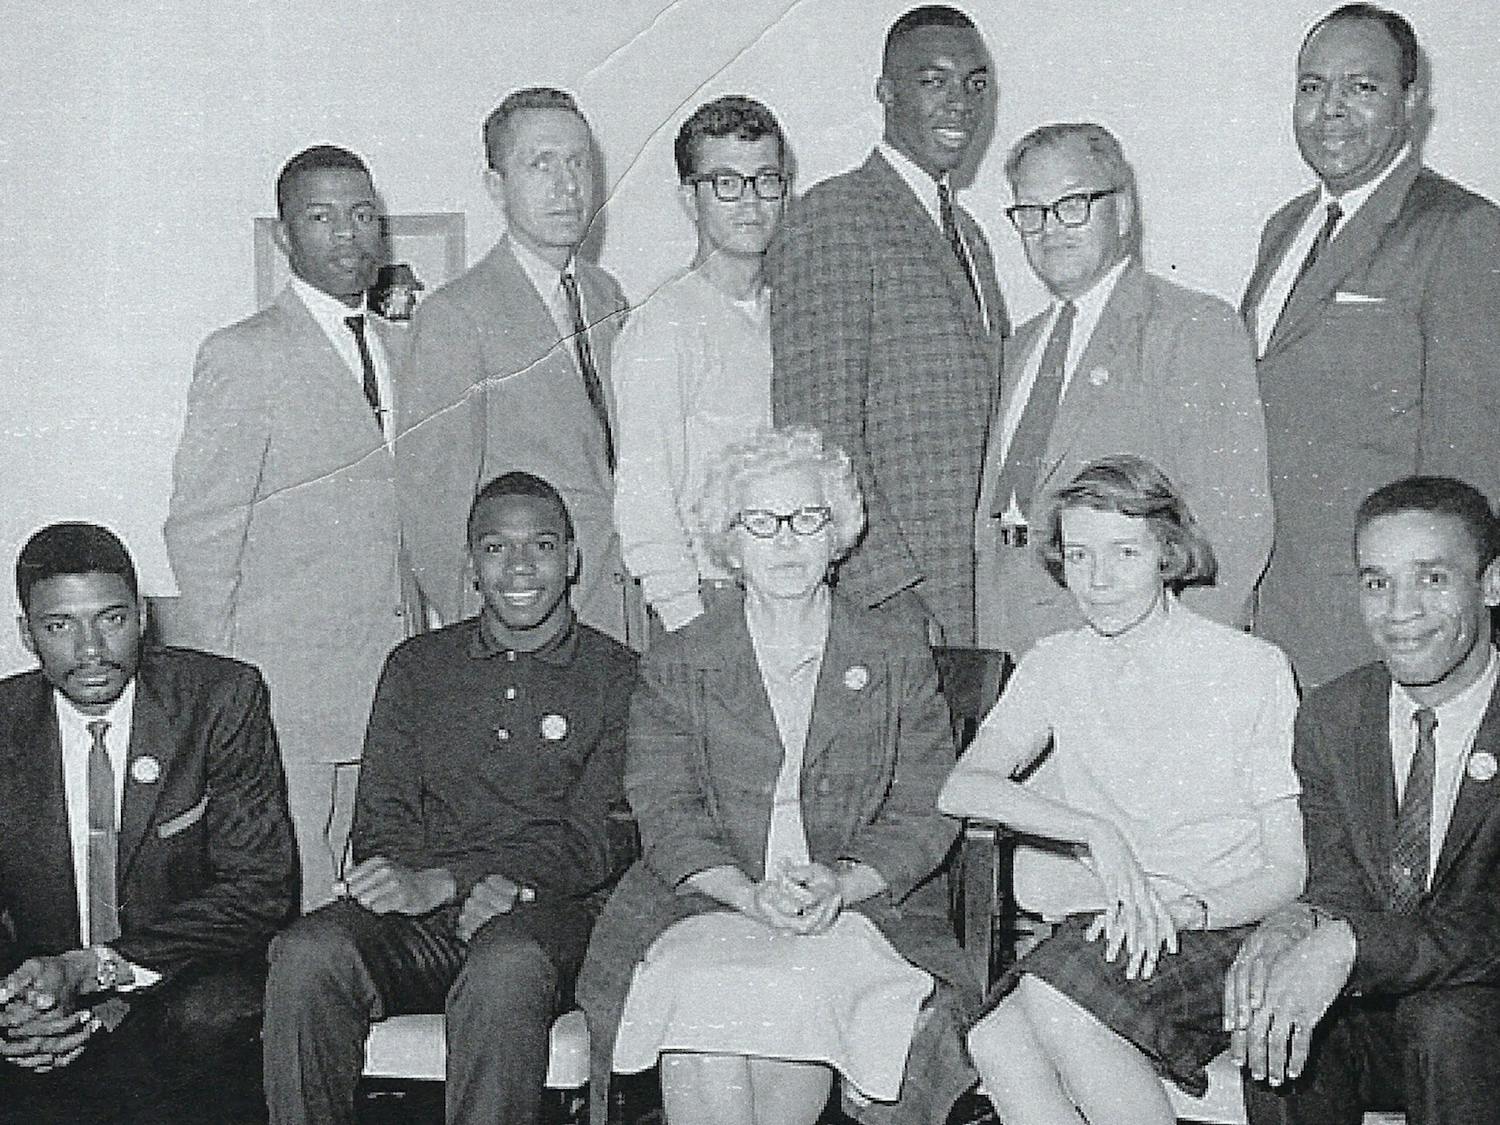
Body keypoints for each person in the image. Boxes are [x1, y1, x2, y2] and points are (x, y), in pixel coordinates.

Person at [579, 426, 976, 1125]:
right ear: (730, 543)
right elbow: (664, 810)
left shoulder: (893, 652)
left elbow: (927, 805)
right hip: (707, 900)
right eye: (760, 522)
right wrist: (745, 893)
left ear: (839, 532)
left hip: (863, 907)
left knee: (780, 994)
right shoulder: (681, 659)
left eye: (807, 518)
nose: (786, 541)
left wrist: (844, 880)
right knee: (703, 1004)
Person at [262, 472, 637, 1125]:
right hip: (423, 921)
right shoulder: (416, 665)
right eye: (496, 548)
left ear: (572, 559)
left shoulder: (622, 676)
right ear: (470, 564)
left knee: (507, 965)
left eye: (541, 545)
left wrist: (466, 880)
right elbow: (382, 816)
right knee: (306, 953)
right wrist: (423, 887)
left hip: (552, 914)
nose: (519, 566)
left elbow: (598, 837)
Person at [941, 455, 1304, 1124]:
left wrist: (1190, 909)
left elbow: (1288, 868)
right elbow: (962, 786)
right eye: (1079, 555)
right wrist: (1093, 831)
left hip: (1222, 923)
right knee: (994, 1038)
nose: (1098, 579)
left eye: (1123, 552)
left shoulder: (1248, 666)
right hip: (1117, 931)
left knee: (1056, 1005)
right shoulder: (1055, 662)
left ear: (1167, 552)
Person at [164, 144, 418, 910]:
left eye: (362, 214)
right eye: (321, 216)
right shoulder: (243, 355)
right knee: (291, 916)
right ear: (284, 237)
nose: (347, 234)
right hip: (287, 709)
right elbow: (202, 534)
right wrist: (220, 711)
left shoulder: (402, 345)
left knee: (364, 921)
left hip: (388, 697)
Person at [0, 523, 296, 1125]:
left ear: (142, 615)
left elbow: (260, 888)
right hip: (41, 998)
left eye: (110, 619)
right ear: (27, 634)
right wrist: (16, 1005)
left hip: (180, 985)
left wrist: (98, 968)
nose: (90, 651)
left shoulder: (221, 697)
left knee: (217, 1014)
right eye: (60, 626)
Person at [1242, 3, 1500, 689]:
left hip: (1377, 623)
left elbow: (1468, 466)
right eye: (1311, 85)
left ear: (1411, 103)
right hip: (1268, 614)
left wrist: (1429, 627)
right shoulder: (1284, 228)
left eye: (1362, 87)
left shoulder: (1463, 230)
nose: (1330, 109)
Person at [1228, 476, 1500, 1125]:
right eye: (1377, 582)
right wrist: (1294, 925)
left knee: (1447, 1019)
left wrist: (1352, 944)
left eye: (1432, 578)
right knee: (1276, 1006)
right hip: (1394, 1013)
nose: (1399, 611)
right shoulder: (1333, 716)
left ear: (1491, 583)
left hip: (1479, 1025)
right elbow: (1339, 886)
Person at [976, 123, 1271, 656]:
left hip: (1125, 663)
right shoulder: (1016, 349)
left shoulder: (1190, 328)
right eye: (1031, 212)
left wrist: (1173, 673)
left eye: (1073, 204)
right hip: (1010, 658)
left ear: (1125, 209)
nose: (1050, 229)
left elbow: (1233, 532)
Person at [768, 5, 1007, 646]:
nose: (959, 104)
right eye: (934, 82)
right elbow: (817, 432)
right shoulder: (836, 216)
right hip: (900, 606)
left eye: (975, 84)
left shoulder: (970, 235)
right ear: (886, 93)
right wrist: (887, 594)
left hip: (974, 594)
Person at [398, 87, 637, 648]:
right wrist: (481, 647)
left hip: (618, 619)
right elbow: (435, 513)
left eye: (579, 163)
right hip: (524, 632)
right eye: (541, 164)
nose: (567, 184)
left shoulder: (610, 300)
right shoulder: (456, 315)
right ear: (495, 187)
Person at [612, 94, 788, 635]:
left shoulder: (793, 313)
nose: (750, 203)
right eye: (726, 183)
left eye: (767, 180)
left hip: (793, 600)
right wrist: (686, 619)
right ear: (690, 199)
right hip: (711, 607)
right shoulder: (663, 325)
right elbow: (643, 494)